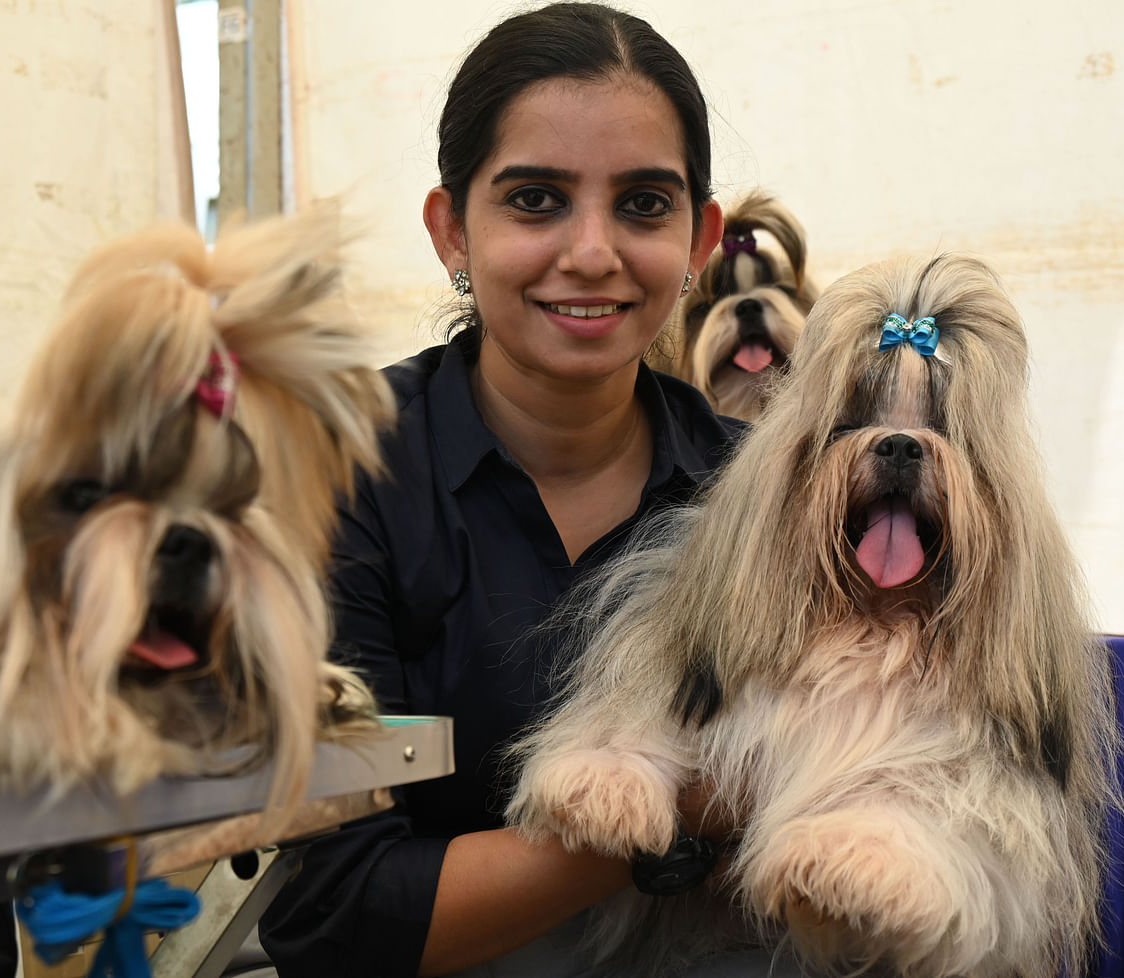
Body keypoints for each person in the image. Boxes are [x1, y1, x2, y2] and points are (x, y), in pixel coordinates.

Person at [259, 4, 764, 975]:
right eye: (535, 200)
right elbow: (340, 912)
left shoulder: (765, 490)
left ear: (701, 235)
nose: (590, 251)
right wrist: (684, 803)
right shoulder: (338, 475)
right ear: (452, 229)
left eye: (643, 205)